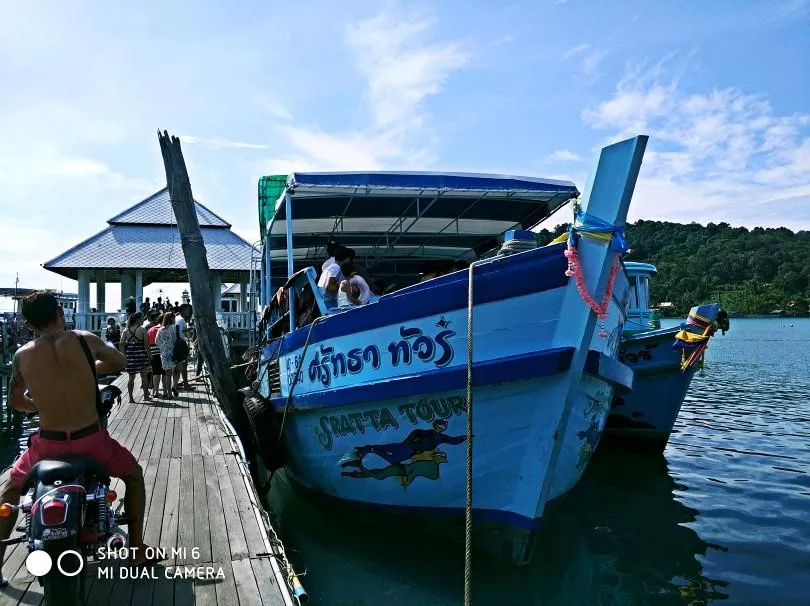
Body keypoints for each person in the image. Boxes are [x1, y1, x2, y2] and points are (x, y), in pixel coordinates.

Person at [0, 292, 156, 584]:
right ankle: (136, 548)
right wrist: (87, 370)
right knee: (134, 475)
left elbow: (16, 402)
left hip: (47, 446)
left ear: (29, 325)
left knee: (10, 489)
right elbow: (119, 361)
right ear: (61, 311)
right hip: (91, 441)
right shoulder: (85, 339)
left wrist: (38, 403)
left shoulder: (22, 356)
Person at [119, 313, 151, 402]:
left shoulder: (126, 330)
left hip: (130, 357)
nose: (143, 321)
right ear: (137, 320)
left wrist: (123, 355)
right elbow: (146, 345)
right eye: (141, 319)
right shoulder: (142, 330)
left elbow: (121, 344)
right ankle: (146, 396)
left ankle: (130, 398)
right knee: (144, 376)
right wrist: (150, 356)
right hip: (141, 356)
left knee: (131, 378)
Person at [156, 312, 178, 399]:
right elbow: (177, 339)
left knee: (167, 374)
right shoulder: (173, 328)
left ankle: (168, 393)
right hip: (172, 353)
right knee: (172, 373)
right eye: (174, 318)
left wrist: (162, 347)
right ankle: (170, 392)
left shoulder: (160, 329)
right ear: (171, 318)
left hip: (164, 354)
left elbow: (156, 341)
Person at [174, 304, 193, 391]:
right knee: (184, 365)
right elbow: (181, 333)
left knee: (177, 366)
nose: (189, 312)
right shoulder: (181, 320)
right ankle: (185, 384)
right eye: (188, 310)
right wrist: (192, 329)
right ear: (183, 311)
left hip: (175, 344)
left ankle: (175, 384)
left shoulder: (176, 318)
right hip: (180, 345)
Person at [147, 313, 163, 396]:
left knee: (156, 373)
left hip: (152, 353)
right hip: (161, 353)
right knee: (164, 374)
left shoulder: (151, 329)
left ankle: (155, 391)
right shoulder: (163, 329)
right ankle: (166, 392)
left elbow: (147, 343)